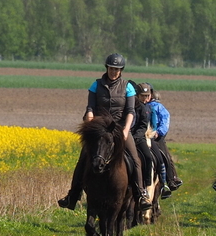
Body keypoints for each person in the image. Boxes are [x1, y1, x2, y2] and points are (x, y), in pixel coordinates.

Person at [57, 53, 151, 211]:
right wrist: (90, 120)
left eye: (117, 69)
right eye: (112, 68)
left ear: (121, 71)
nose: (114, 71)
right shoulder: (96, 85)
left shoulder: (127, 86)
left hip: (119, 129)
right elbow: (90, 108)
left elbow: (130, 111)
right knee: (83, 159)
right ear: (107, 68)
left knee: (135, 159)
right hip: (100, 129)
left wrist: (126, 130)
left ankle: (140, 195)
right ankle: (73, 196)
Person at [135, 83, 172, 199]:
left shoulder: (152, 109)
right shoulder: (132, 107)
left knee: (160, 158)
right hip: (135, 136)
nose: (145, 98)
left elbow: (155, 124)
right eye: (142, 96)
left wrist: (155, 132)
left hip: (149, 137)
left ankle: (164, 183)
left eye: (147, 96)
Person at [147, 88, 183, 191]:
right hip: (144, 135)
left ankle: (171, 179)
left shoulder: (159, 108)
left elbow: (164, 122)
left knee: (165, 156)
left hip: (157, 137)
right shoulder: (142, 106)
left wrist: (158, 132)